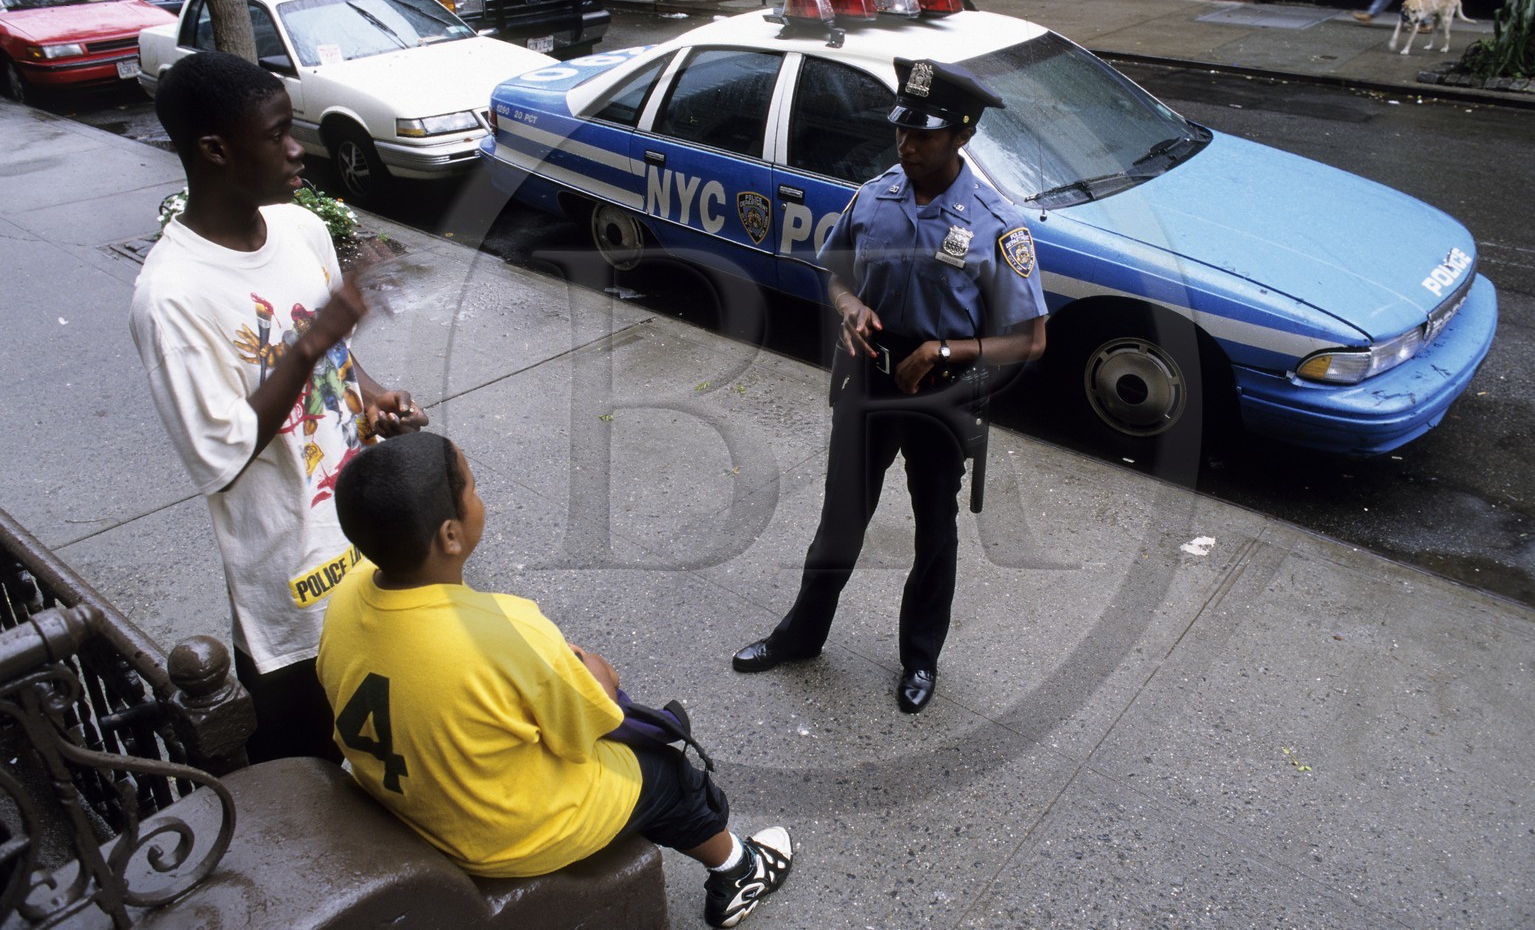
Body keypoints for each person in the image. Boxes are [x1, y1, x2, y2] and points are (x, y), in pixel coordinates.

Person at [318, 432, 794, 928]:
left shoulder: (347, 596)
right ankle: (739, 871)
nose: (481, 498)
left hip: (406, 796)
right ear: (450, 536)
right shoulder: (507, 632)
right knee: (667, 773)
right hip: (498, 838)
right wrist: (598, 674)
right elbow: (592, 723)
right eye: (474, 491)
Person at [129, 51, 427, 764]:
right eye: (276, 133)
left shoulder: (298, 230)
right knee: (323, 778)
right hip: (296, 595)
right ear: (215, 150)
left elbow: (323, 355)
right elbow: (222, 453)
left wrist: (370, 394)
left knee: (406, 753)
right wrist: (322, 331)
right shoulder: (172, 298)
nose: (297, 147)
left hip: (370, 540)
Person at [731, 58, 1049, 714]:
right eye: (901, 130)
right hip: (870, 374)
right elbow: (837, 273)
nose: (906, 145)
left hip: (945, 387)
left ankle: (920, 660)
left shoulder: (996, 223)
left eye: (923, 135)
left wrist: (945, 349)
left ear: (961, 136)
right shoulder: (874, 197)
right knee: (840, 519)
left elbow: (1031, 339)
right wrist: (848, 307)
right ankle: (801, 635)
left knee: (936, 527)